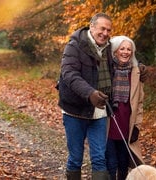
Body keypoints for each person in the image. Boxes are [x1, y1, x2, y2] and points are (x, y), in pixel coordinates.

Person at [58, 12, 114, 179]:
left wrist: (139, 67)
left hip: (99, 112)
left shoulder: (109, 47)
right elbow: (69, 74)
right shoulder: (74, 45)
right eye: (102, 28)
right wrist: (90, 93)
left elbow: (127, 54)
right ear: (92, 27)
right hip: (75, 111)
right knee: (76, 159)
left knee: (99, 158)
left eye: (109, 30)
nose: (105, 33)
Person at [105, 35, 145, 180]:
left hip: (126, 124)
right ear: (115, 51)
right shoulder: (107, 70)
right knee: (111, 163)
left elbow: (139, 103)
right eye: (122, 48)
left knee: (123, 163)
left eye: (129, 49)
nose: (125, 52)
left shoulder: (136, 72)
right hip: (109, 123)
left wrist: (137, 126)